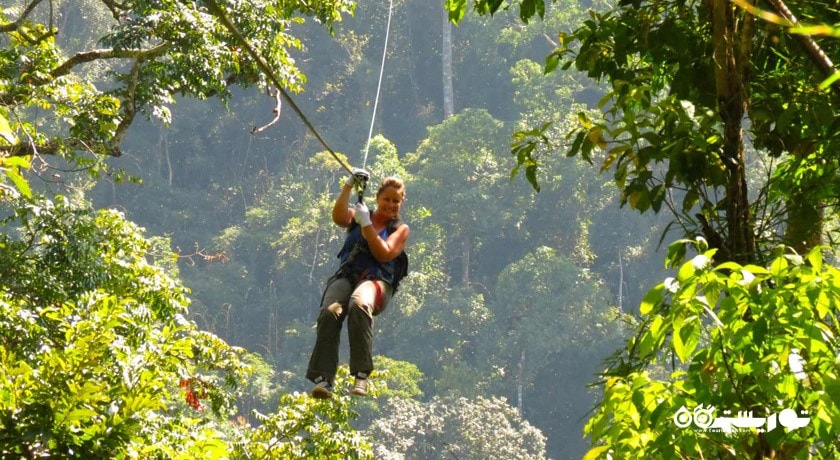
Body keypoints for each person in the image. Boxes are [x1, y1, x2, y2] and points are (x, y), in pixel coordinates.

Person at [306, 169, 410, 398]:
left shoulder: (400, 230)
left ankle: (361, 375)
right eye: (387, 199)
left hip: (377, 282)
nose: (391, 205)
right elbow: (339, 217)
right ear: (378, 198)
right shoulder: (359, 215)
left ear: (402, 202)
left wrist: (367, 226)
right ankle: (324, 379)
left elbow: (384, 254)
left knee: (359, 305)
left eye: (396, 201)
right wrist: (348, 186)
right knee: (329, 312)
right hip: (348, 275)